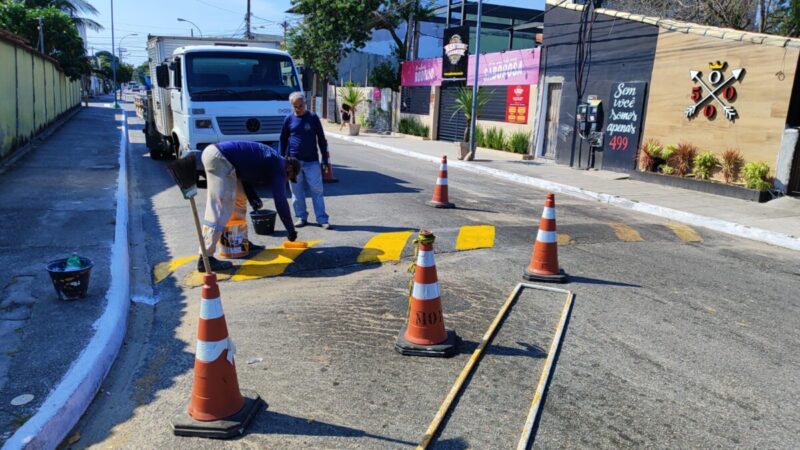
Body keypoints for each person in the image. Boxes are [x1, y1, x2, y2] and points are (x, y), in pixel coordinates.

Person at [198, 141, 300, 272]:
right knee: (221, 207)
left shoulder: (273, 159)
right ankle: (205, 258)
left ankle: (239, 241)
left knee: (239, 202)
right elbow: (280, 201)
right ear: (290, 168)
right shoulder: (279, 166)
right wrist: (290, 229)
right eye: (290, 177)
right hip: (221, 158)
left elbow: (244, 172)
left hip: (224, 158)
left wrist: (252, 196)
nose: (287, 180)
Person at [279, 91, 332, 229]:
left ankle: (322, 219)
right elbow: (283, 140)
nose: (298, 109)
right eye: (295, 106)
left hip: (311, 161)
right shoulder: (288, 120)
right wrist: (281, 160)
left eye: (300, 105)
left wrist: (325, 159)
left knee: (317, 190)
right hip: (293, 163)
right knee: (296, 192)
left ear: (305, 103)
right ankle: (301, 217)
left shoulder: (313, 118)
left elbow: (321, 139)